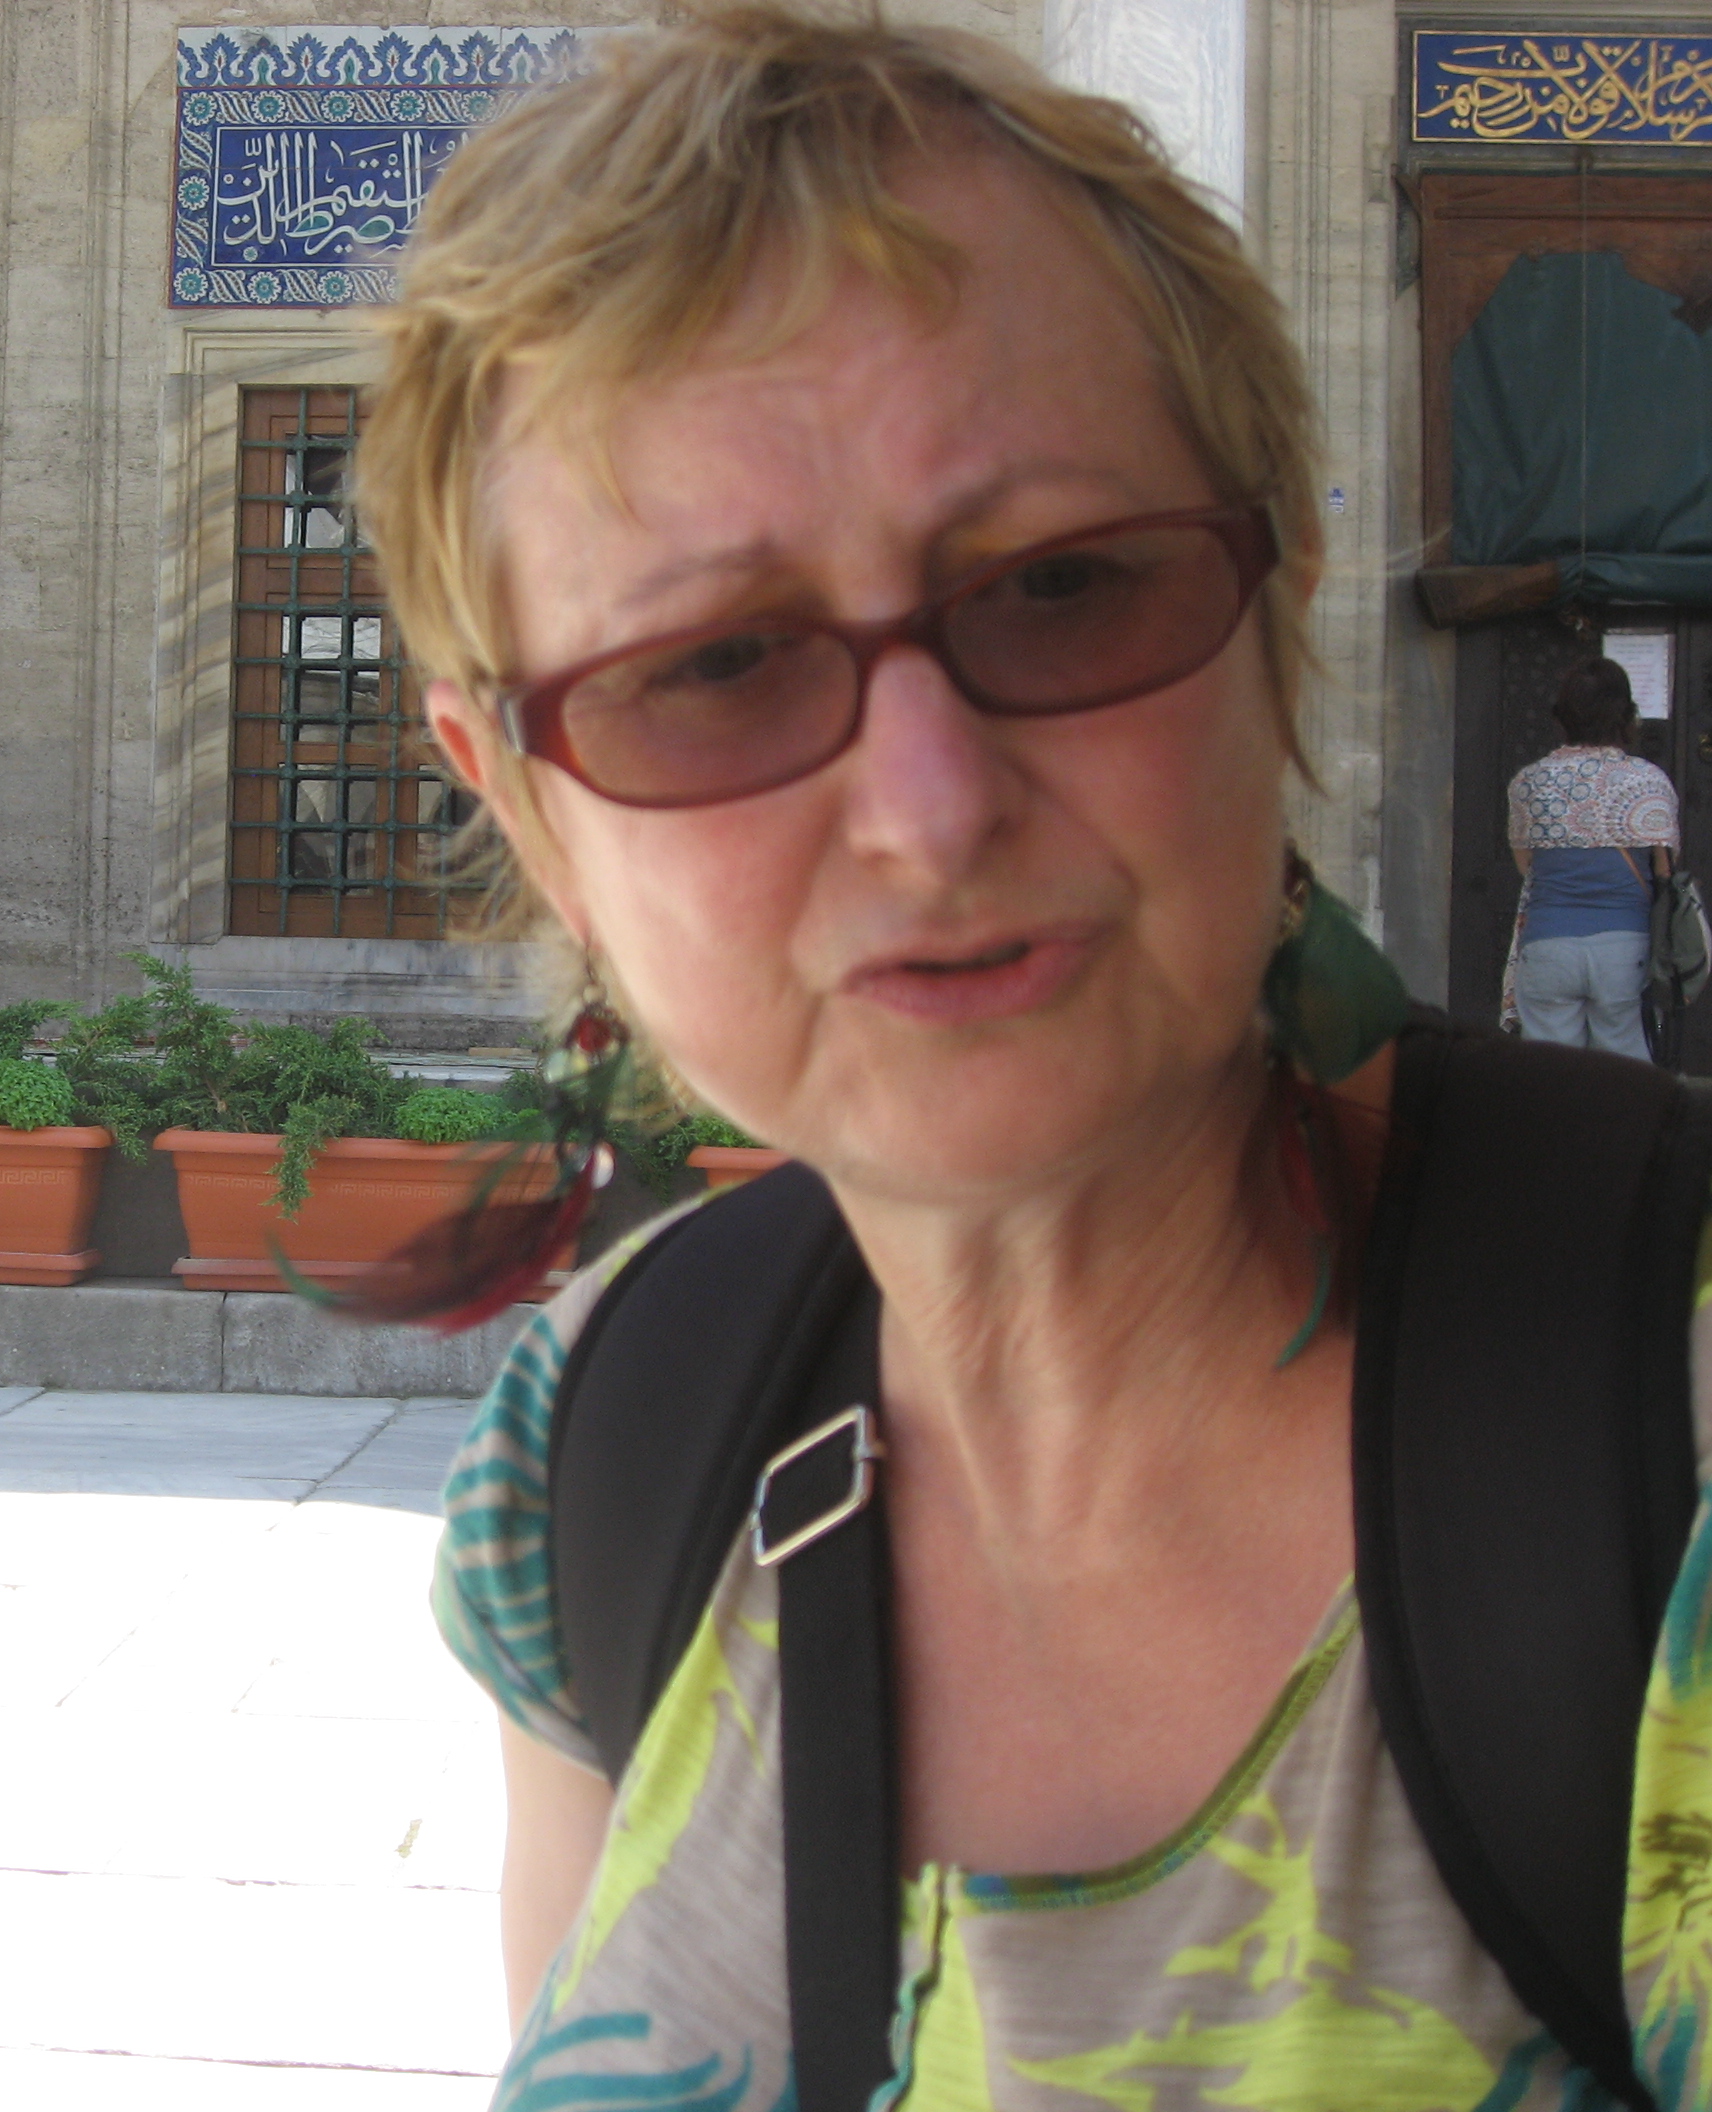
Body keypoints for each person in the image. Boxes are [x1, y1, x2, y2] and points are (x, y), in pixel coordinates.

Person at [351, 8, 1712, 2106]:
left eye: (1061, 586)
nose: (928, 807)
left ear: (1277, 613)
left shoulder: (1667, 1431)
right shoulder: (604, 1449)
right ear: (527, 808)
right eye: (715, 665)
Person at [1506, 658, 1678, 1058]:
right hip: (1624, 949)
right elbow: (1664, 869)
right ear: (1626, 716)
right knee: (1621, 1072)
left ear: (1563, 716)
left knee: (1553, 1069)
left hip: (1548, 944)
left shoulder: (1529, 781)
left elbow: (1525, 865)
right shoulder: (1648, 782)